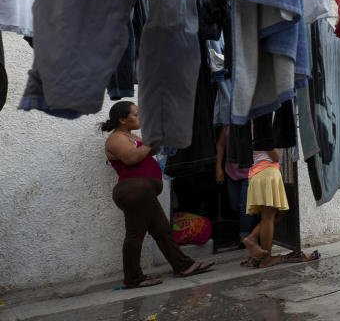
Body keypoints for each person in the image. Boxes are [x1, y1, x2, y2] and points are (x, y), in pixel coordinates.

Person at [102, 101, 213, 289]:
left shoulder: (130, 136)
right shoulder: (116, 138)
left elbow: (146, 151)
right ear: (122, 119)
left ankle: (183, 266)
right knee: (135, 234)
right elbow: (131, 158)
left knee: (162, 230)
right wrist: (149, 144)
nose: (140, 117)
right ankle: (133, 278)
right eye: (136, 115)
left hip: (143, 191)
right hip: (134, 190)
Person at [241, 147, 289, 268]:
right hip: (268, 172)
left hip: (256, 172)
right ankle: (265, 257)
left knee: (271, 216)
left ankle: (258, 246)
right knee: (268, 217)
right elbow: (276, 156)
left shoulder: (246, 127)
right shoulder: (264, 127)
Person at [214, 127, 258, 249]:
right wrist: (218, 168)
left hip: (250, 171)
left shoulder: (255, 120)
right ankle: (251, 234)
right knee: (234, 206)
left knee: (245, 206)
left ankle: (245, 238)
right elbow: (220, 145)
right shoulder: (228, 121)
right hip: (231, 172)